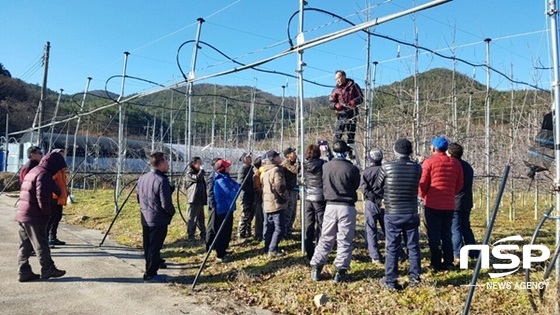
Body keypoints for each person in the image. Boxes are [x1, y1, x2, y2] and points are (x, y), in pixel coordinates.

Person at [374, 139, 422, 290]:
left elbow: (377, 185)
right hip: (411, 211)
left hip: (393, 212)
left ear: (395, 151)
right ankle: (415, 279)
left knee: (392, 247)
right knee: (413, 247)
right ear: (410, 152)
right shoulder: (417, 168)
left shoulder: (387, 167)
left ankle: (391, 280)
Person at [310, 140, 360, 283]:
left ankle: (316, 267)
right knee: (344, 239)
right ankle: (340, 271)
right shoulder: (352, 168)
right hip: (346, 206)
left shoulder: (325, 167)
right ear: (346, 151)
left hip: (330, 206)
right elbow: (356, 185)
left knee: (326, 237)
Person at [17, 151, 67, 282]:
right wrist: (46, 213)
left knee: (25, 244)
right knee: (41, 244)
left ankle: (24, 271)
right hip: (34, 215)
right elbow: (42, 197)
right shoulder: (44, 174)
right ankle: (48, 268)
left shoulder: (35, 171)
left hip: (23, 213)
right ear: (54, 165)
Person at [419, 136, 463, 271]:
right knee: (446, 233)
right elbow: (459, 184)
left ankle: (436, 262)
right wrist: (450, 193)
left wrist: (423, 195)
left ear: (433, 148)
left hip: (432, 204)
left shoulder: (429, 162)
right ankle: (449, 261)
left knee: (434, 234)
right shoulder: (456, 163)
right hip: (449, 204)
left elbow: (423, 183)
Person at [137, 152, 175, 282]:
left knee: (148, 245)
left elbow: (138, 198)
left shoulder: (142, 178)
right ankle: (151, 273)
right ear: (161, 164)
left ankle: (153, 266)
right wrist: (171, 213)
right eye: (166, 162)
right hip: (158, 218)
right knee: (155, 246)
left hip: (146, 216)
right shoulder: (162, 180)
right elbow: (166, 204)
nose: (168, 165)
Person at [447, 142, 477, 260]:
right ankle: (474, 252)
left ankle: (458, 253)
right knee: (466, 227)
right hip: (466, 201)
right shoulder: (467, 166)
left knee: (455, 228)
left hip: (455, 201)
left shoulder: (453, 166)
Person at [206, 158, 239, 263]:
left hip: (228, 208)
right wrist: (235, 188)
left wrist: (235, 187)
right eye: (227, 166)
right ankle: (220, 254)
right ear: (223, 169)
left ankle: (223, 250)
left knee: (227, 231)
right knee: (222, 232)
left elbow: (236, 186)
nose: (229, 167)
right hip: (222, 209)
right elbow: (233, 193)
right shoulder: (220, 180)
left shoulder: (226, 177)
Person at [329, 70, 363, 160]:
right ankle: (334, 153)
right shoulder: (336, 89)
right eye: (336, 79)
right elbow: (331, 103)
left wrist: (353, 102)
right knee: (338, 134)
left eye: (338, 78)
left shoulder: (353, 86)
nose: (337, 80)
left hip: (352, 113)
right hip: (341, 114)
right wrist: (336, 106)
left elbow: (361, 97)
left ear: (343, 76)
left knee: (351, 134)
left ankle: (350, 153)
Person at [359, 148, 385, 264]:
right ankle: (396, 252)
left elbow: (365, 190)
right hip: (386, 203)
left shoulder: (366, 172)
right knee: (389, 230)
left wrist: (375, 199)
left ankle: (375, 256)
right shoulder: (386, 171)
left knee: (371, 229)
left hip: (371, 203)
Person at [262, 150, 288, 258]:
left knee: (271, 227)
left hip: (268, 203)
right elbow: (279, 186)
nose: (280, 157)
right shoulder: (276, 171)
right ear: (273, 159)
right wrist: (285, 197)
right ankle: (272, 250)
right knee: (279, 228)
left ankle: (267, 246)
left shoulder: (266, 171)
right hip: (276, 203)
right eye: (278, 156)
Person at [303, 144, 327, 260]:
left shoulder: (304, 165)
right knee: (321, 225)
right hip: (320, 197)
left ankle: (309, 252)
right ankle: (319, 249)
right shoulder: (322, 164)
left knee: (309, 225)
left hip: (308, 197)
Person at [47, 148, 68, 248]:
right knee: (51, 218)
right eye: (60, 154)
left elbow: (62, 183)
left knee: (57, 217)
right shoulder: (53, 169)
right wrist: (57, 192)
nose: (62, 156)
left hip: (60, 197)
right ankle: (47, 239)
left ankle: (53, 237)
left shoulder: (62, 170)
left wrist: (65, 191)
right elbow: (51, 182)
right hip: (54, 197)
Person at [185, 156, 207, 242]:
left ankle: (203, 234)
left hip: (200, 199)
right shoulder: (189, 173)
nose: (201, 165)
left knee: (201, 218)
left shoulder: (198, 172)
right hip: (193, 199)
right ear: (194, 164)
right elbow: (197, 179)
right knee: (192, 218)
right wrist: (201, 171)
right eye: (199, 163)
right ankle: (191, 236)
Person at [281, 147, 299, 239]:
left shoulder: (292, 163)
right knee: (288, 212)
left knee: (293, 212)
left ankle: (289, 230)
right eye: (293, 153)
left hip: (294, 190)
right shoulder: (286, 164)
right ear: (288, 155)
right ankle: (284, 232)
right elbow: (295, 170)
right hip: (288, 191)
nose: (295, 154)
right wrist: (299, 163)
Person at [237, 154, 255, 239]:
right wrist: (251, 190)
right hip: (245, 196)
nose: (250, 159)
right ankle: (241, 233)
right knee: (245, 215)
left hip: (252, 195)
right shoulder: (243, 169)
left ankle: (248, 231)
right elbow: (241, 183)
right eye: (248, 158)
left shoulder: (251, 168)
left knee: (250, 214)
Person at [252, 156, 264, 241]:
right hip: (259, 198)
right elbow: (257, 188)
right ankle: (258, 234)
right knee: (259, 217)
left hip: (261, 197)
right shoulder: (257, 175)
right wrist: (262, 193)